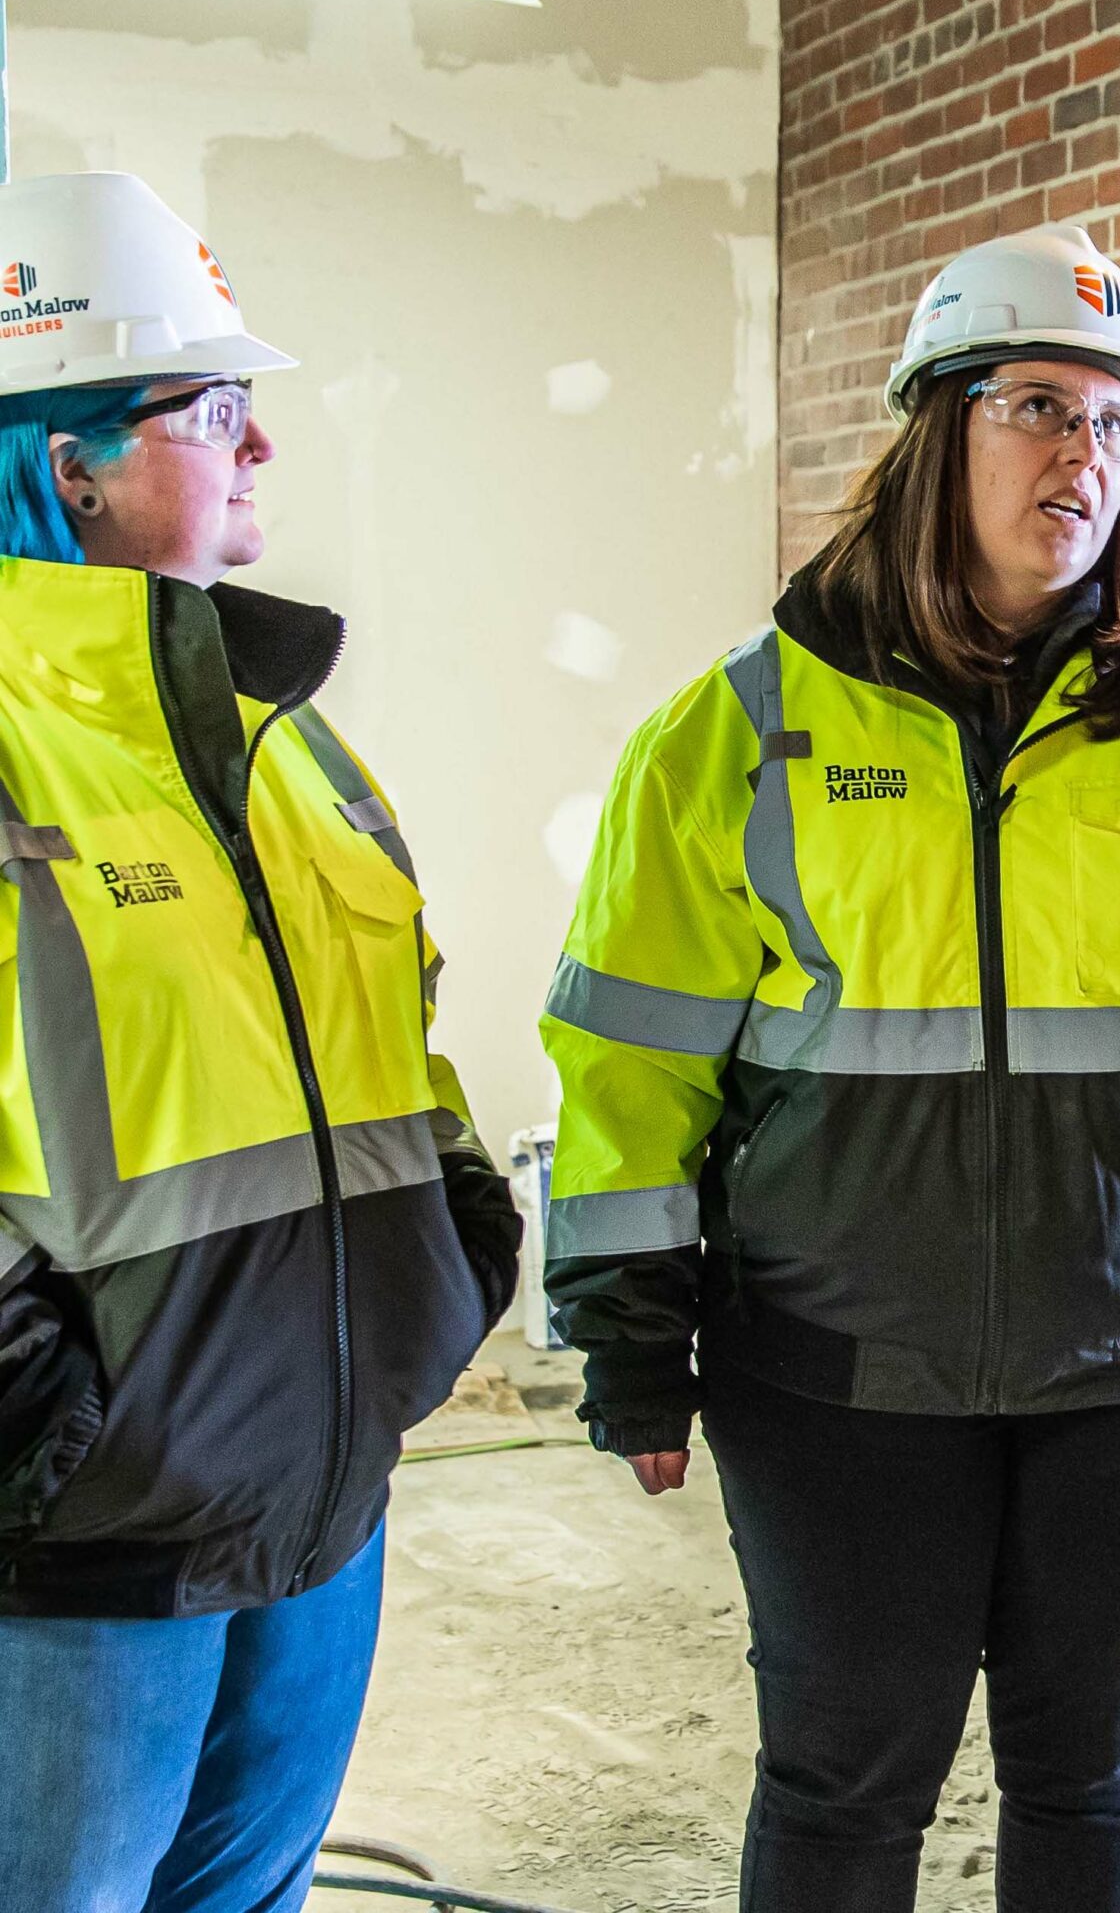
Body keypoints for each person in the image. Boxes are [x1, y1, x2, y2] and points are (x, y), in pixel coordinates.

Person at [542, 222, 1120, 1913]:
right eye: (1037, 403)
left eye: (1115, 419)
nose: (1082, 452)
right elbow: (629, 1055)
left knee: (1100, 1776)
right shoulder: (741, 725)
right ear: (937, 426)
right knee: (843, 1780)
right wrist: (630, 1327)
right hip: (838, 1364)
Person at [0, 171, 522, 1912]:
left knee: (249, 1899)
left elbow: (399, 1043)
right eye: (215, 411)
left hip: (320, 1485)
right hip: (87, 1531)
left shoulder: (287, 746)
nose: (259, 453)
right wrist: (54, 1422)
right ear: (67, 454)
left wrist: (451, 1233)